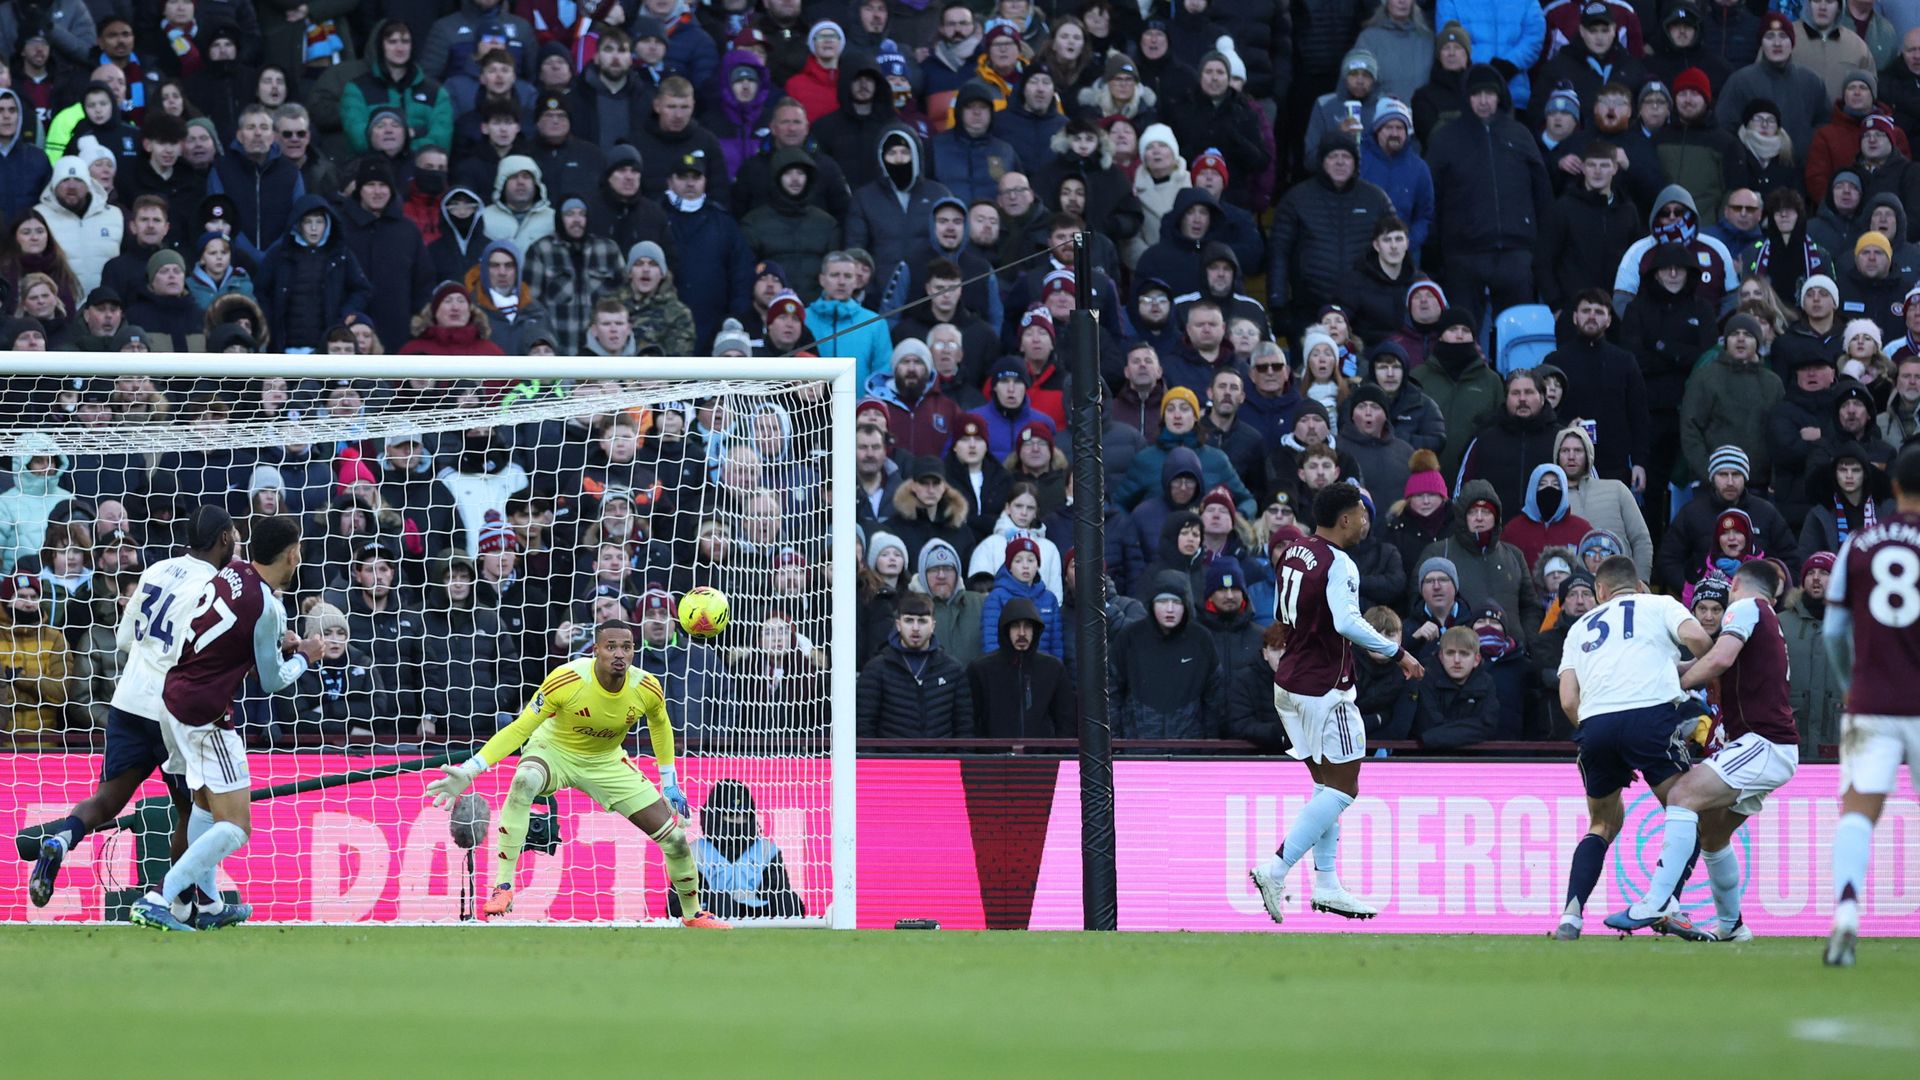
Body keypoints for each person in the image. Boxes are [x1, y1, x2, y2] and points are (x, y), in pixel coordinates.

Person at [425, 620, 728, 928]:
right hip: (554, 751)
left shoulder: (646, 687)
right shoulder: (567, 679)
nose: (619, 654)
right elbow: (519, 729)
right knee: (524, 780)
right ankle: (503, 886)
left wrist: (670, 784)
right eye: (611, 647)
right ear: (596, 650)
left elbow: (660, 726)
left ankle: (693, 914)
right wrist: (471, 770)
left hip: (606, 762)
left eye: (626, 647)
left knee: (676, 840)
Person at [26, 506, 235, 912]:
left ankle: (61, 840)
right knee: (190, 810)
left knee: (105, 800)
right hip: (171, 711)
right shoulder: (214, 586)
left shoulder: (157, 570)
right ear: (224, 538)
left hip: (127, 701)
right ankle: (179, 905)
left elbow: (123, 639)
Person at [129, 516, 324, 932]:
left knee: (203, 805)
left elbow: (231, 640)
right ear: (292, 555)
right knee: (235, 826)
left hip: (174, 697)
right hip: (206, 714)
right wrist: (305, 656)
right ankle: (158, 898)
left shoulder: (232, 571)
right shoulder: (268, 606)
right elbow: (271, 681)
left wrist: (276, 643)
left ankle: (209, 905)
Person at [1249, 484, 1423, 925]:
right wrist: (1397, 652)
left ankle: (1326, 884)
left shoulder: (1293, 550)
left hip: (1289, 683)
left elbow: (1281, 615)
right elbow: (1346, 621)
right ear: (1345, 519)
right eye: (1362, 513)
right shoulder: (1339, 562)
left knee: (1325, 787)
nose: (1366, 521)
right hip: (1325, 688)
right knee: (1345, 788)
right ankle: (1276, 869)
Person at [1612, 559, 1796, 942]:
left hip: (1762, 742)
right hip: (1767, 745)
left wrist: (1669, 689)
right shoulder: (1765, 619)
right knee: (1712, 835)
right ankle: (1732, 927)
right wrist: (1658, 669)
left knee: (1682, 795)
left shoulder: (1746, 607)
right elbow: (1705, 662)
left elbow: (1718, 660)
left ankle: (1658, 901)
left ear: (1736, 584)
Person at [1549, 554, 1715, 941]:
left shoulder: (1579, 627)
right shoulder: (1659, 605)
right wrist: (1692, 670)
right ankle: (1666, 905)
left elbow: (1568, 699)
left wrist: (1595, 729)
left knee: (1602, 824)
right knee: (1688, 810)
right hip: (1650, 718)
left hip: (1596, 725)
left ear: (1599, 591)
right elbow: (1698, 640)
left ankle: (1571, 916)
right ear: (1640, 586)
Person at [1820, 443, 1920, 966]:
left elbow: (1834, 631)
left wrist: (1849, 682)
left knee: (1858, 812)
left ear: (1894, 487)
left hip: (1872, 700)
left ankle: (1846, 914)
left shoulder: (1857, 544)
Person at [856, 592, 972, 739]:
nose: (915, 628)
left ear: (933, 625)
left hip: (941, 754)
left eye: (922, 621)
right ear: (898, 625)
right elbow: (864, 725)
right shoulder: (876, 669)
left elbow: (964, 726)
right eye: (909, 621)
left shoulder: (952, 670)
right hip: (891, 754)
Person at [967, 595, 1072, 737]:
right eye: (1016, 626)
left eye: (1027, 626)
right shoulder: (981, 670)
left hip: (1042, 751)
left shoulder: (1053, 669)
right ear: (1006, 630)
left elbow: (1065, 722)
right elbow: (970, 721)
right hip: (994, 751)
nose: (1022, 633)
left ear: (1035, 630)